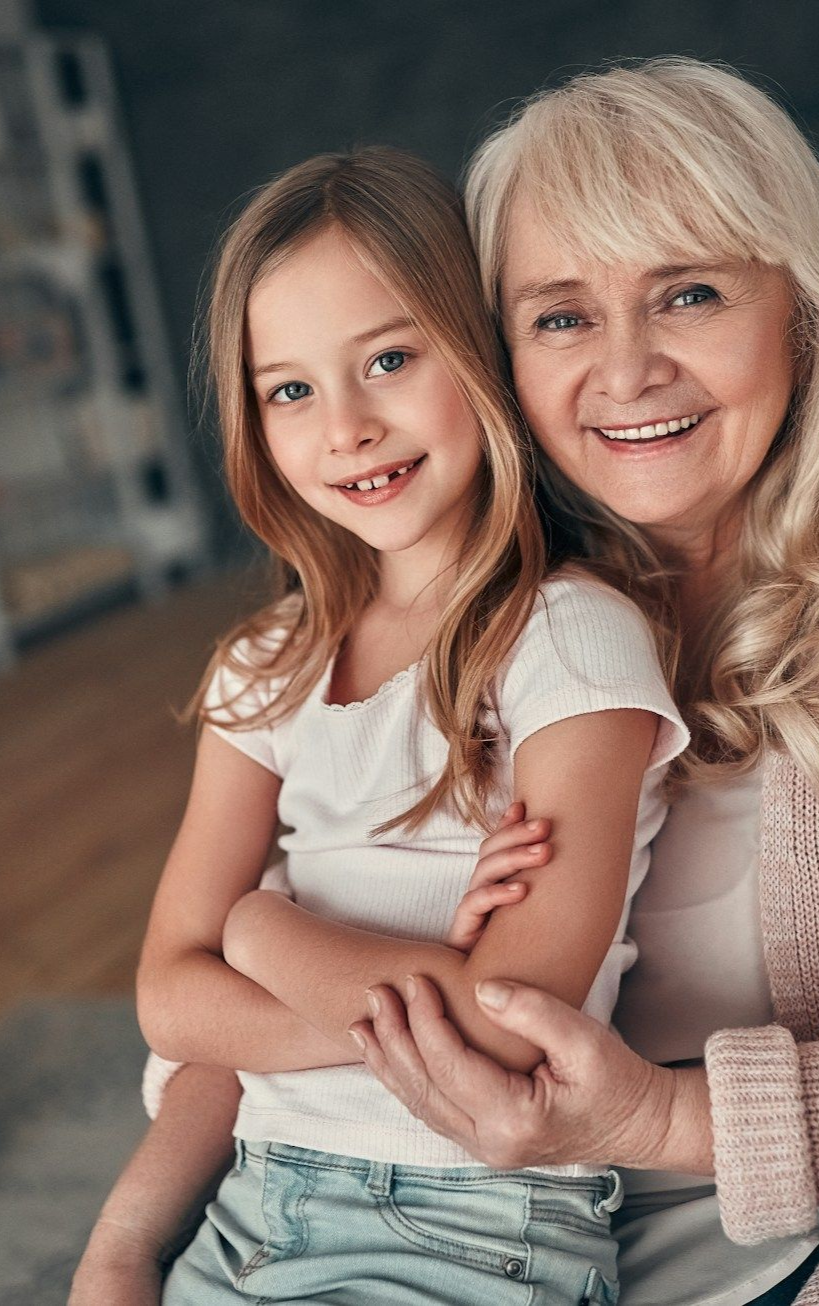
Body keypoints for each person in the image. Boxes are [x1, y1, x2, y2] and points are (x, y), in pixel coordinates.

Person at [74, 60, 819, 1306]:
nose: (625, 370)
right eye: (560, 315)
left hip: (721, 1269)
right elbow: (238, 999)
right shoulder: (474, 604)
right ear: (495, 353)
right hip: (319, 1219)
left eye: (690, 293)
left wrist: (654, 1119)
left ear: (801, 316)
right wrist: (133, 1239)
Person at [73, 145, 688, 1305]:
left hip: (477, 1220)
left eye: (391, 360)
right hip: (251, 1208)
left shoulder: (567, 638)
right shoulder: (264, 668)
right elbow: (166, 996)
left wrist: (262, 928)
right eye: (290, 389)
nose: (346, 427)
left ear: (484, 353)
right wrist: (420, 979)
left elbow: (509, 1028)